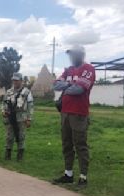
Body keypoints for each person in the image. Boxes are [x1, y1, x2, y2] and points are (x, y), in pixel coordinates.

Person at [52, 45, 95, 187]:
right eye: (70, 55)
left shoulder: (88, 69)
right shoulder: (68, 70)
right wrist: (70, 83)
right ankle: (68, 174)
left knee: (80, 145)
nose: (71, 57)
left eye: (73, 54)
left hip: (79, 113)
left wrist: (67, 84)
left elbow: (78, 90)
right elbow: (55, 86)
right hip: (65, 112)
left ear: (81, 55)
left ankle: (83, 176)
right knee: (66, 144)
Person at [1, 73, 34, 161]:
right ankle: (8, 153)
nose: (15, 82)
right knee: (9, 136)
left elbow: (30, 106)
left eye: (17, 80)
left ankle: (20, 155)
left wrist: (29, 118)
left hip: (22, 117)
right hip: (10, 116)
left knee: (21, 136)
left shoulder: (27, 92)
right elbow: (4, 103)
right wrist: (3, 111)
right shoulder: (9, 92)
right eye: (14, 80)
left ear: (21, 81)